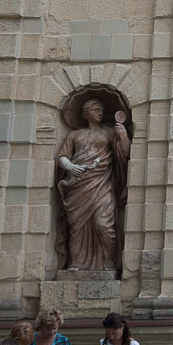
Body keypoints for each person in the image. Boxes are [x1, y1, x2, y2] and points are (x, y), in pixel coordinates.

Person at [56, 97, 131, 271]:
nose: (100, 113)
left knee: (103, 224)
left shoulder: (109, 132)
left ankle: (107, 262)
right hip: (78, 185)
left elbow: (125, 153)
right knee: (77, 226)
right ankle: (76, 263)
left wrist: (123, 135)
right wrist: (70, 166)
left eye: (102, 111)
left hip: (102, 183)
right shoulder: (74, 135)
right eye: (96, 110)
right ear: (85, 113)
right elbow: (62, 156)